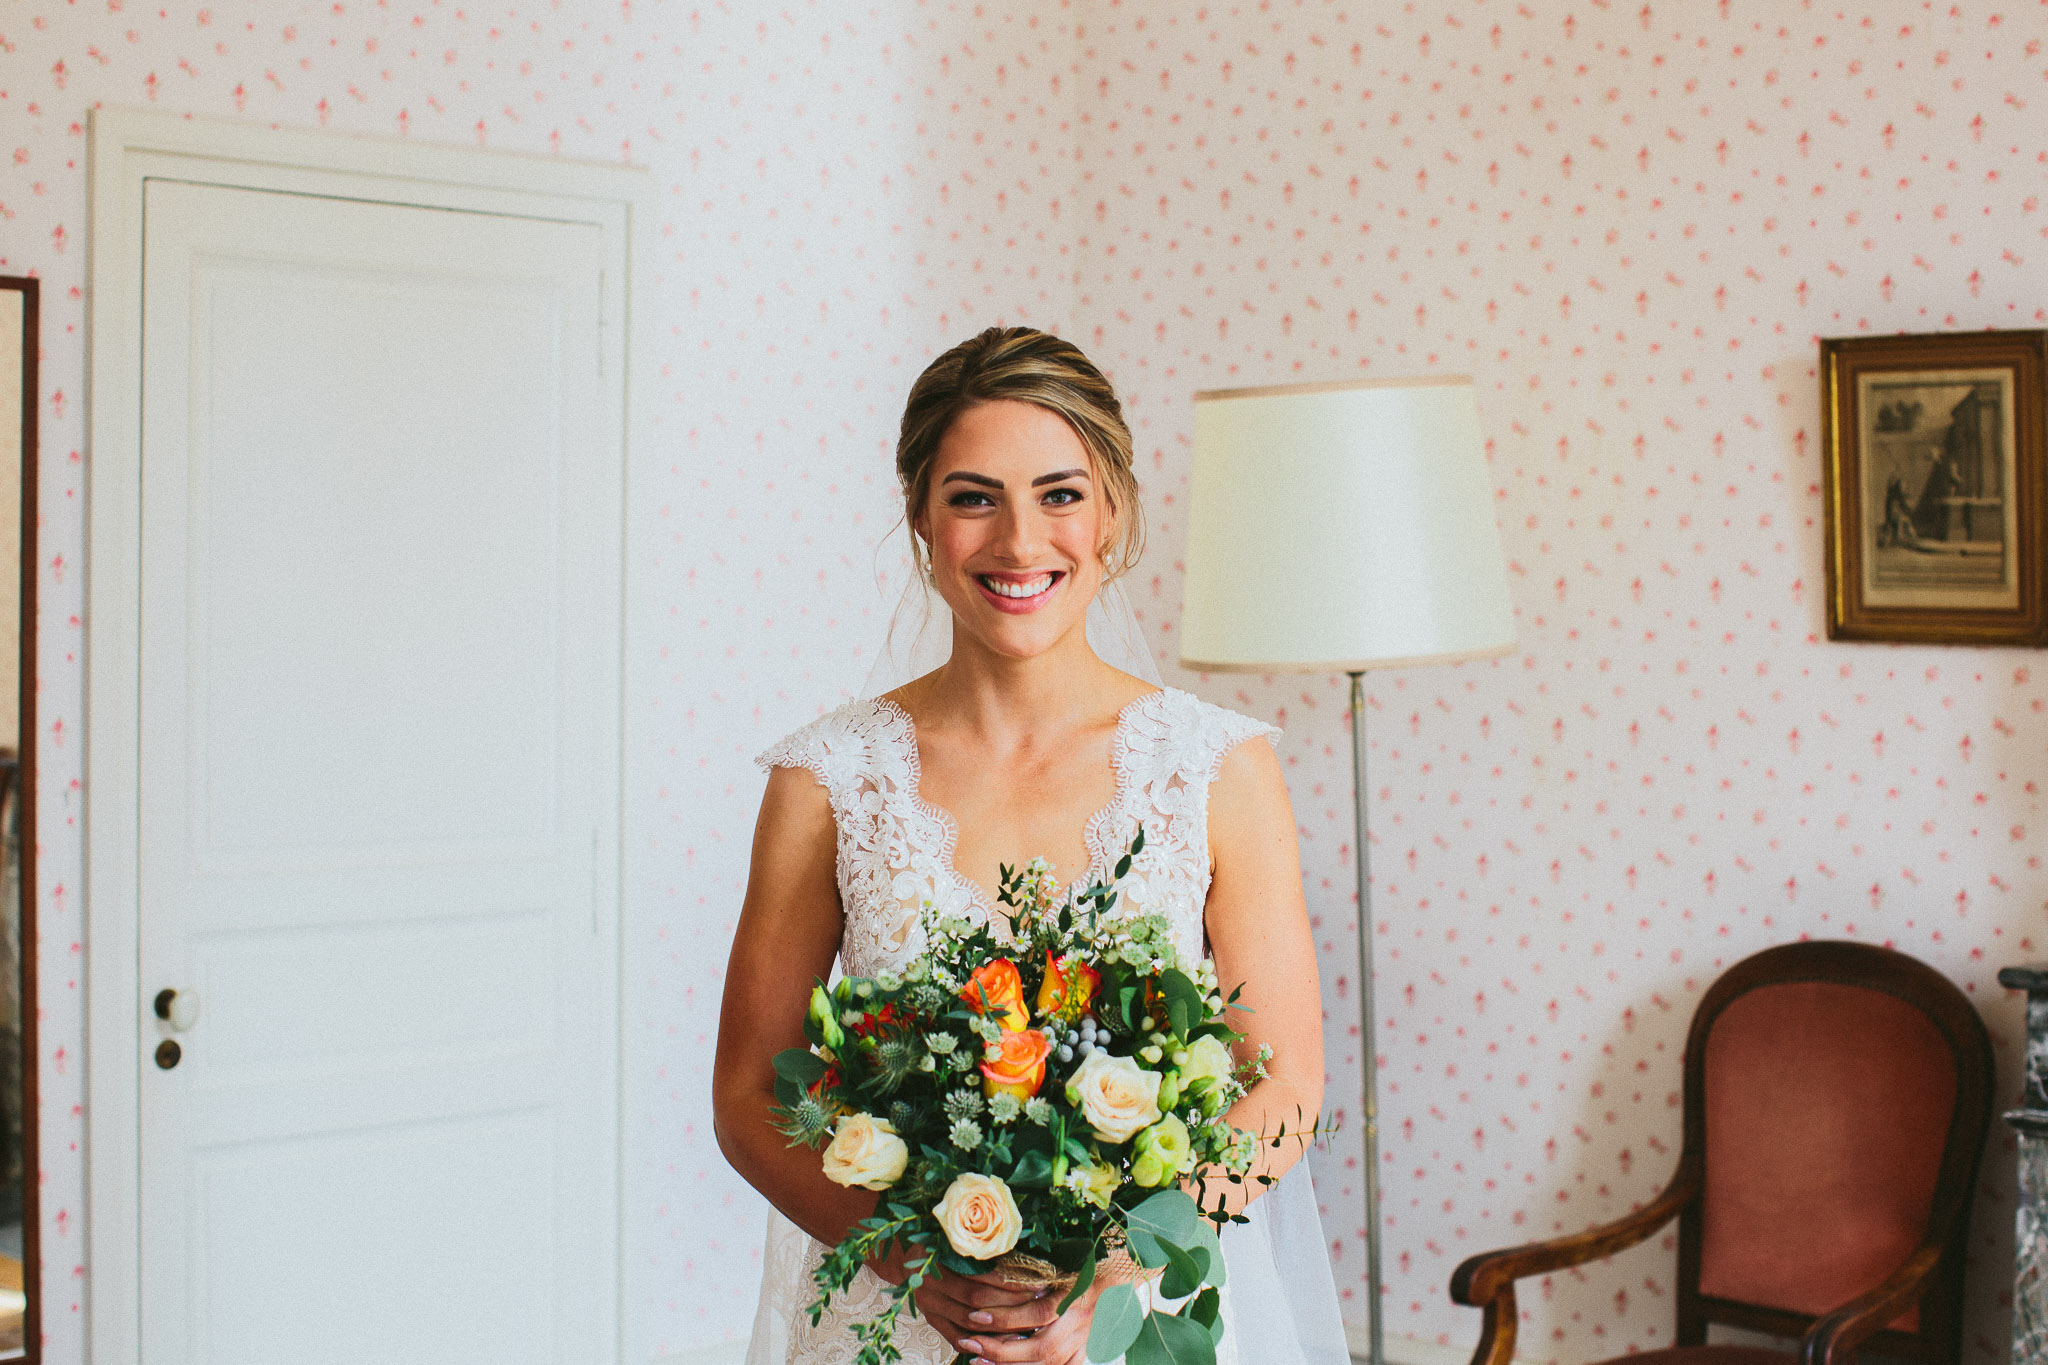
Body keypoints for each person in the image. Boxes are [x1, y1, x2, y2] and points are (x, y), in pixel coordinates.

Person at [713, 327, 1348, 1365]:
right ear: (920, 517)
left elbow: (1284, 1088)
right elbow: (748, 1097)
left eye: (1058, 494)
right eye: (972, 497)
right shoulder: (826, 780)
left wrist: (1122, 1262)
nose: (1018, 542)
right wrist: (910, 1261)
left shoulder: (1213, 767)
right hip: (902, 1321)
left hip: (1146, 1314)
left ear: (1114, 514)